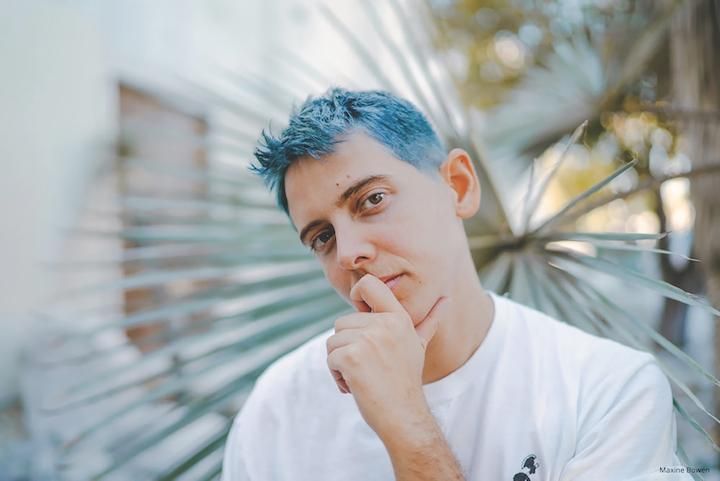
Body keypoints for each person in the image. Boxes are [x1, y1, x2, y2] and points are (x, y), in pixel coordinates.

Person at [221, 88, 691, 480]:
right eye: (322, 237)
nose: (348, 253)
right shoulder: (277, 411)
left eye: (372, 200)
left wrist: (407, 424)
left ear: (459, 186)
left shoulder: (606, 391)